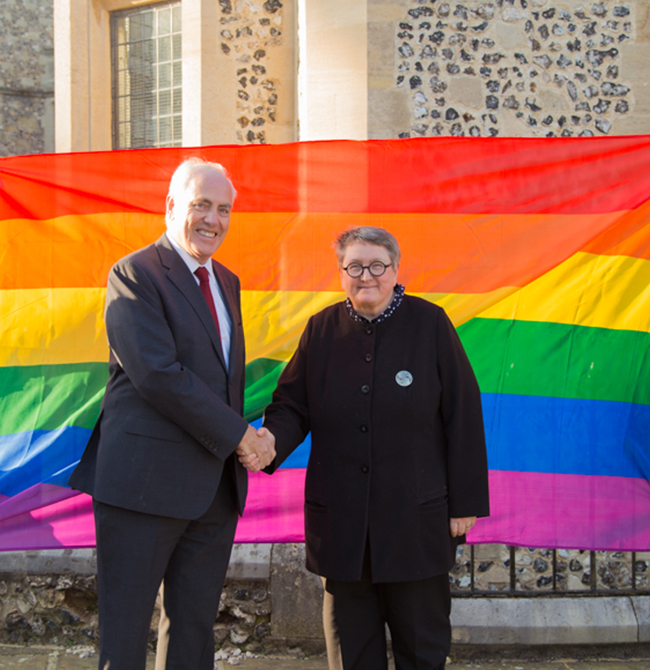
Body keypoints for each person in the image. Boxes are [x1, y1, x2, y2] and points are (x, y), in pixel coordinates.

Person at [239, 226, 489, 670]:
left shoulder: (430, 324)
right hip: (343, 528)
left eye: (377, 265)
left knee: (422, 651)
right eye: (354, 266)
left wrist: (465, 503)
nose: (366, 275)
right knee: (351, 654)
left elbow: (463, 414)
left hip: (416, 523)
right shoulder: (320, 330)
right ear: (341, 273)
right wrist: (269, 442)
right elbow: (292, 405)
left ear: (395, 270)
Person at [69, 158, 275, 670]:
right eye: (201, 205)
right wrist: (240, 437)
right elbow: (158, 374)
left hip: (213, 489)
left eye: (224, 209)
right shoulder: (134, 273)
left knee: (193, 629)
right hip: (143, 485)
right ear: (171, 206)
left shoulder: (226, 280)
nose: (213, 219)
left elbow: (221, 380)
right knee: (125, 630)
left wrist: (254, 437)